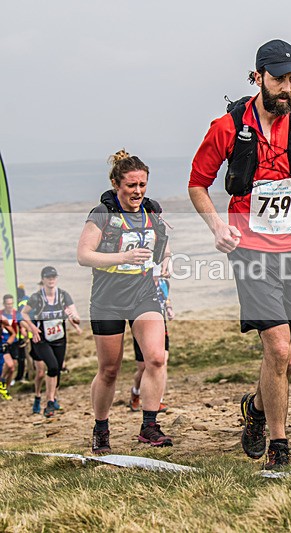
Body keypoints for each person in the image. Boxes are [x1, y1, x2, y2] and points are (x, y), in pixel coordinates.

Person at [189, 39, 291, 469]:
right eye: (280, 79)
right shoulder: (227, 127)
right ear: (258, 77)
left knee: (288, 354)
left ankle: (255, 410)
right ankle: (279, 445)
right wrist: (218, 226)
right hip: (251, 251)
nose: (288, 88)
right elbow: (197, 183)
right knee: (276, 349)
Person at [77, 149, 172, 453]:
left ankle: (149, 426)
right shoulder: (102, 213)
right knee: (109, 369)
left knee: (156, 358)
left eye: (142, 185)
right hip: (108, 299)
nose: (138, 191)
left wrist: (166, 260)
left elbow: (160, 246)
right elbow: (84, 255)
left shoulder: (151, 210)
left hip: (143, 294)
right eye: (131, 185)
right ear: (117, 184)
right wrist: (124, 257)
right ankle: (101, 427)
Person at [21, 267, 81, 417]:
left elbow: (75, 316)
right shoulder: (36, 297)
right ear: (43, 279)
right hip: (41, 339)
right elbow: (23, 313)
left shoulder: (63, 296)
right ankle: (48, 403)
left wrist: (74, 318)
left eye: (53, 276)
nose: (51, 279)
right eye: (48, 277)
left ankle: (52, 399)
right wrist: (33, 328)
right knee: (52, 367)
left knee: (57, 370)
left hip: (59, 338)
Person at [129, 266, 174, 413]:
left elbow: (165, 298)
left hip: (160, 324)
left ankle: (158, 400)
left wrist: (169, 310)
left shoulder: (163, 283)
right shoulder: (138, 283)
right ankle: (136, 392)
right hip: (142, 326)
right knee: (143, 368)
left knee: (162, 362)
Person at [0, 294, 18, 400]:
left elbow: (13, 333)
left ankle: (4, 388)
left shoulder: (4, 319)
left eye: (11, 303)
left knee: (11, 366)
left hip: (7, 343)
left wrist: (7, 343)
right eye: (8, 304)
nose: (9, 306)